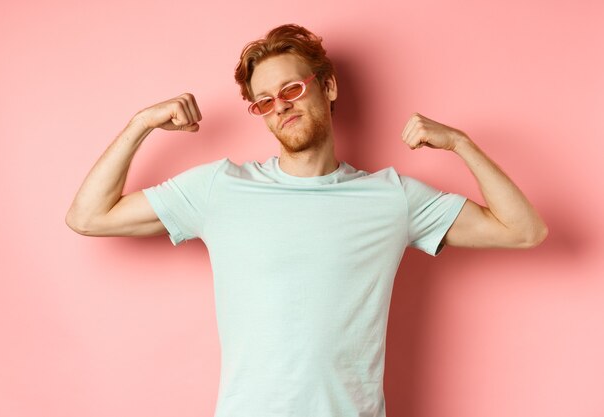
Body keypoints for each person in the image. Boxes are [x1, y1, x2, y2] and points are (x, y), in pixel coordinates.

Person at [66, 23, 547, 417]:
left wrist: (460, 144)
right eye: (265, 101)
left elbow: (524, 230)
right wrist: (140, 124)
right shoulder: (220, 189)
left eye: (292, 88)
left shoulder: (390, 198)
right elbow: (88, 216)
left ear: (329, 86)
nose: (282, 106)